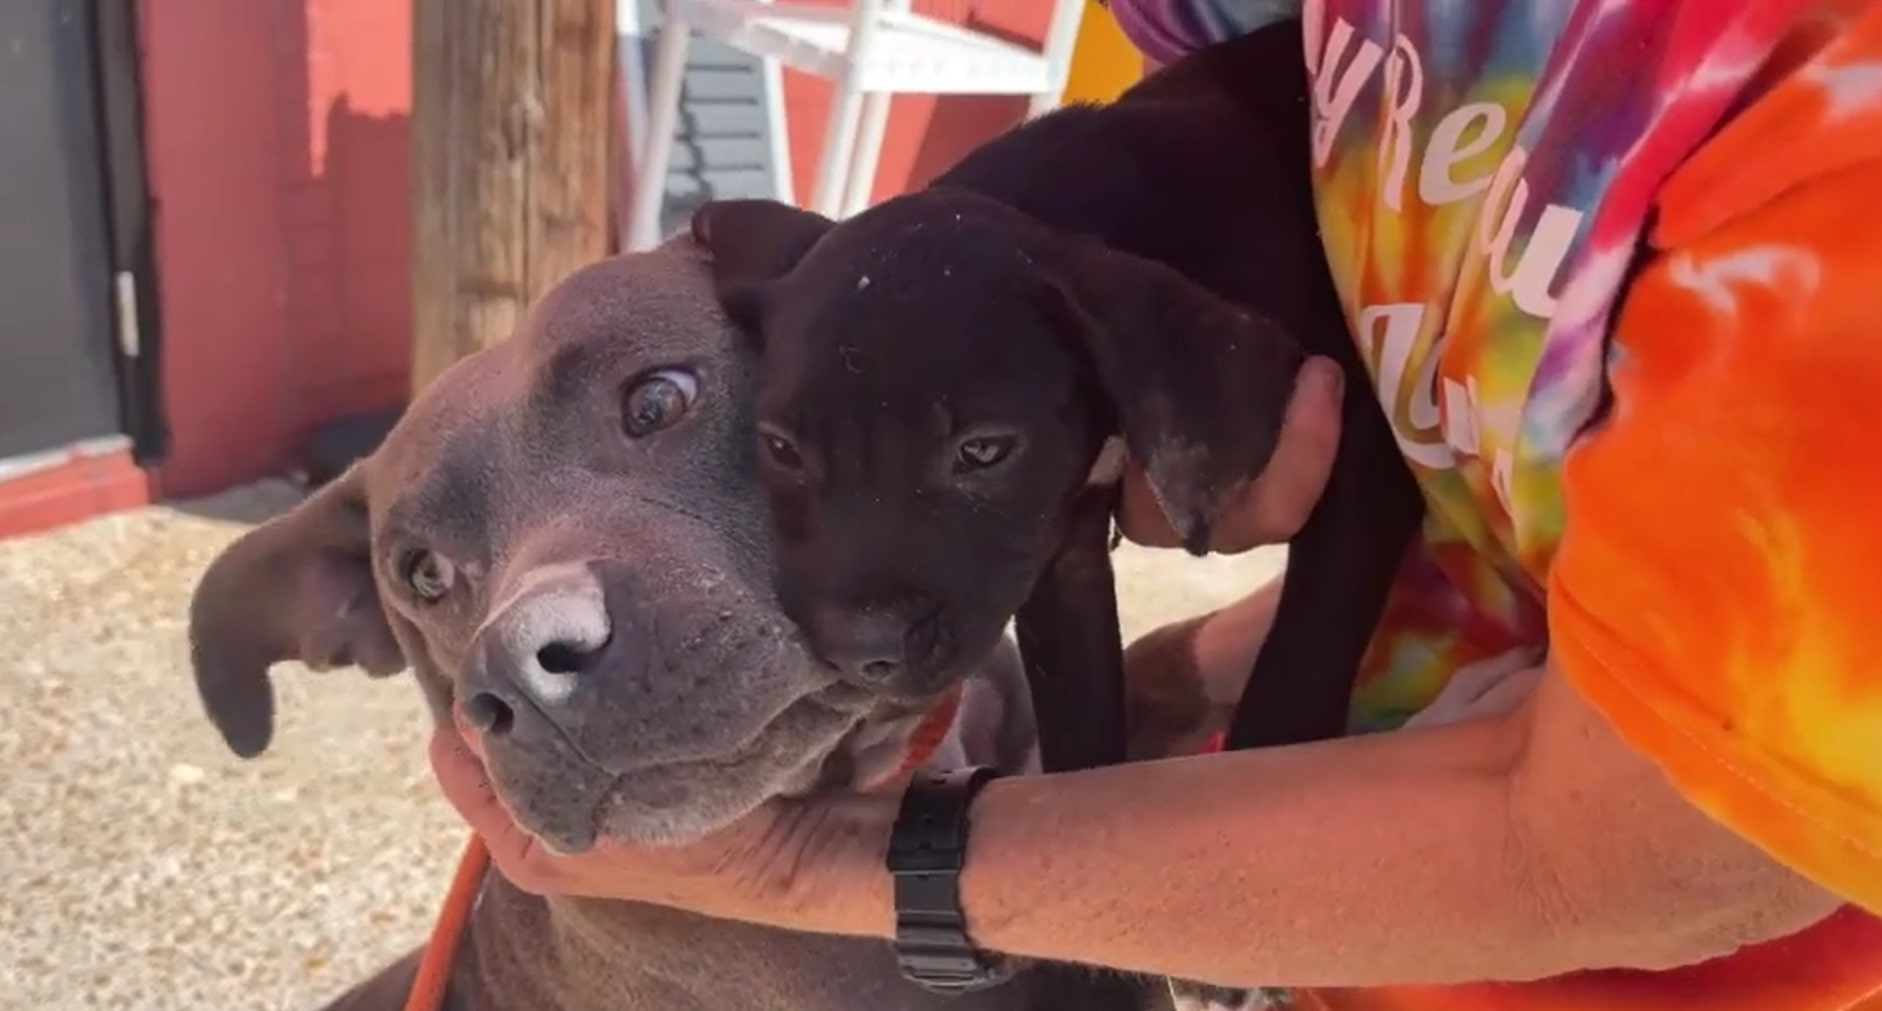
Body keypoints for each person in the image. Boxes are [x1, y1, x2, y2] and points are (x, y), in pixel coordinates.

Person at [432, 0, 1882, 1007]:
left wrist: (809, 868)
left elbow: (1628, 856)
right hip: (1309, 913)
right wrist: (1177, 680)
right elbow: (1530, 484)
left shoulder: (1834, 141)